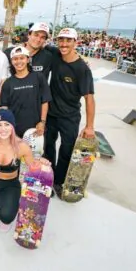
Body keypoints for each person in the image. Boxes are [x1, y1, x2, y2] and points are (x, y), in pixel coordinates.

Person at [43, 28, 95, 197]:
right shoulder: (55, 53)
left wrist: (90, 126)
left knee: (66, 150)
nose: (64, 44)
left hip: (70, 117)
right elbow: (37, 45)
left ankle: (58, 181)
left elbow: (89, 99)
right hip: (51, 114)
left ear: (75, 42)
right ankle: (48, 178)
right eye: (61, 40)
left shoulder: (82, 69)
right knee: (48, 147)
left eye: (68, 40)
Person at [0, 45, 51, 137]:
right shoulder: (8, 83)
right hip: (13, 129)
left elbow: (45, 101)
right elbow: (4, 107)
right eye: (15, 59)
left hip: (35, 129)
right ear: (11, 62)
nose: (18, 61)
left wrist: (42, 122)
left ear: (28, 59)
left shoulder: (39, 77)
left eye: (22, 58)